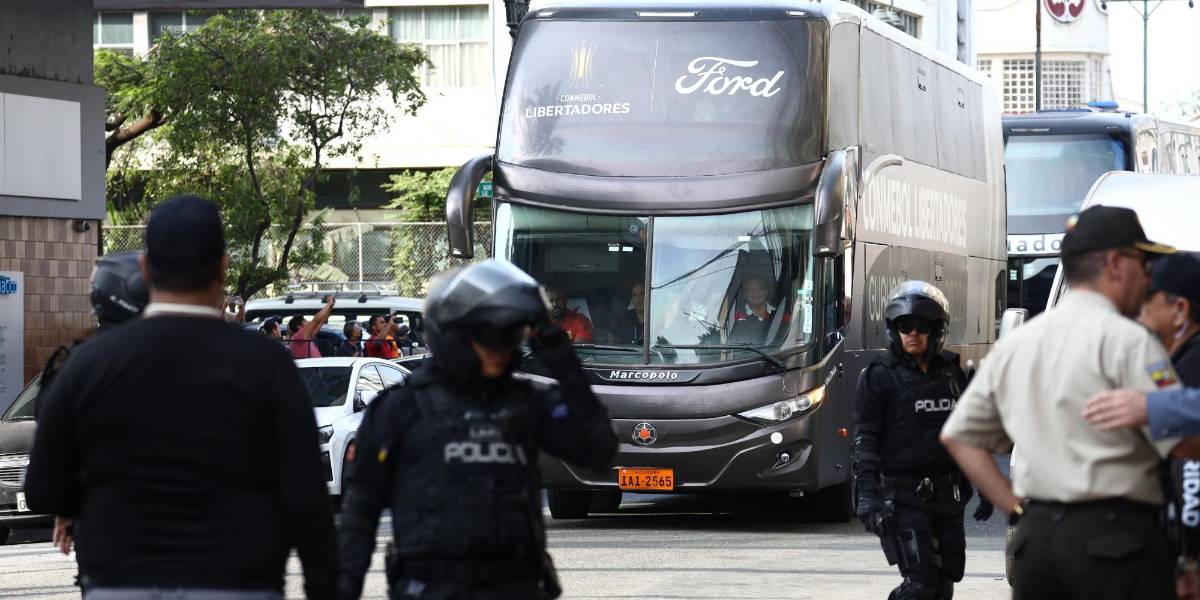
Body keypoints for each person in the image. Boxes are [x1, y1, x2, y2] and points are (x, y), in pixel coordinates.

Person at [24, 196, 337, 600]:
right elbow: (308, 501)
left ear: (145, 268)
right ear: (223, 267)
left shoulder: (89, 364)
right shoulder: (268, 365)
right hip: (240, 582)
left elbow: (45, 489)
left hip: (119, 583)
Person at [940, 205, 1198, 600]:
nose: (1148, 278)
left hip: (1035, 546)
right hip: (1117, 544)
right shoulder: (1131, 341)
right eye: (1143, 263)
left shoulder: (1019, 343)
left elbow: (959, 436)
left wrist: (1013, 503)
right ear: (1115, 263)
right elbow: (1183, 444)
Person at [337, 260, 617, 600]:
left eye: (510, 336)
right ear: (454, 333)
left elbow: (598, 451)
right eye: (490, 336)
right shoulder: (401, 409)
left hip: (516, 588)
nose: (501, 350)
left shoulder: (525, 403)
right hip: (432, 590)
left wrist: (562, 358)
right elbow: (360, 514)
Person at [854, 281, 989, 600]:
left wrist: (984, 484)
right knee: (920, 584)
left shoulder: (952, 375)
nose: (912, 333)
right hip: (904, 496)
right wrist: (867, 495)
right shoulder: (879, 376)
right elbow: (865, 439)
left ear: (937, 329)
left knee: (944, 583)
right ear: (893, 329)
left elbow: (969, 435)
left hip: (948, 494)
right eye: (904, 326)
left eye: (921, 326)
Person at [1085, 252, 1200, 598]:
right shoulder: (1174, 361)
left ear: (1179, 310)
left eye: (1147, 299)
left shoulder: (1192, 367)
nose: (1136, 309)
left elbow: (1191, 471)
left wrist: (1190, 559)